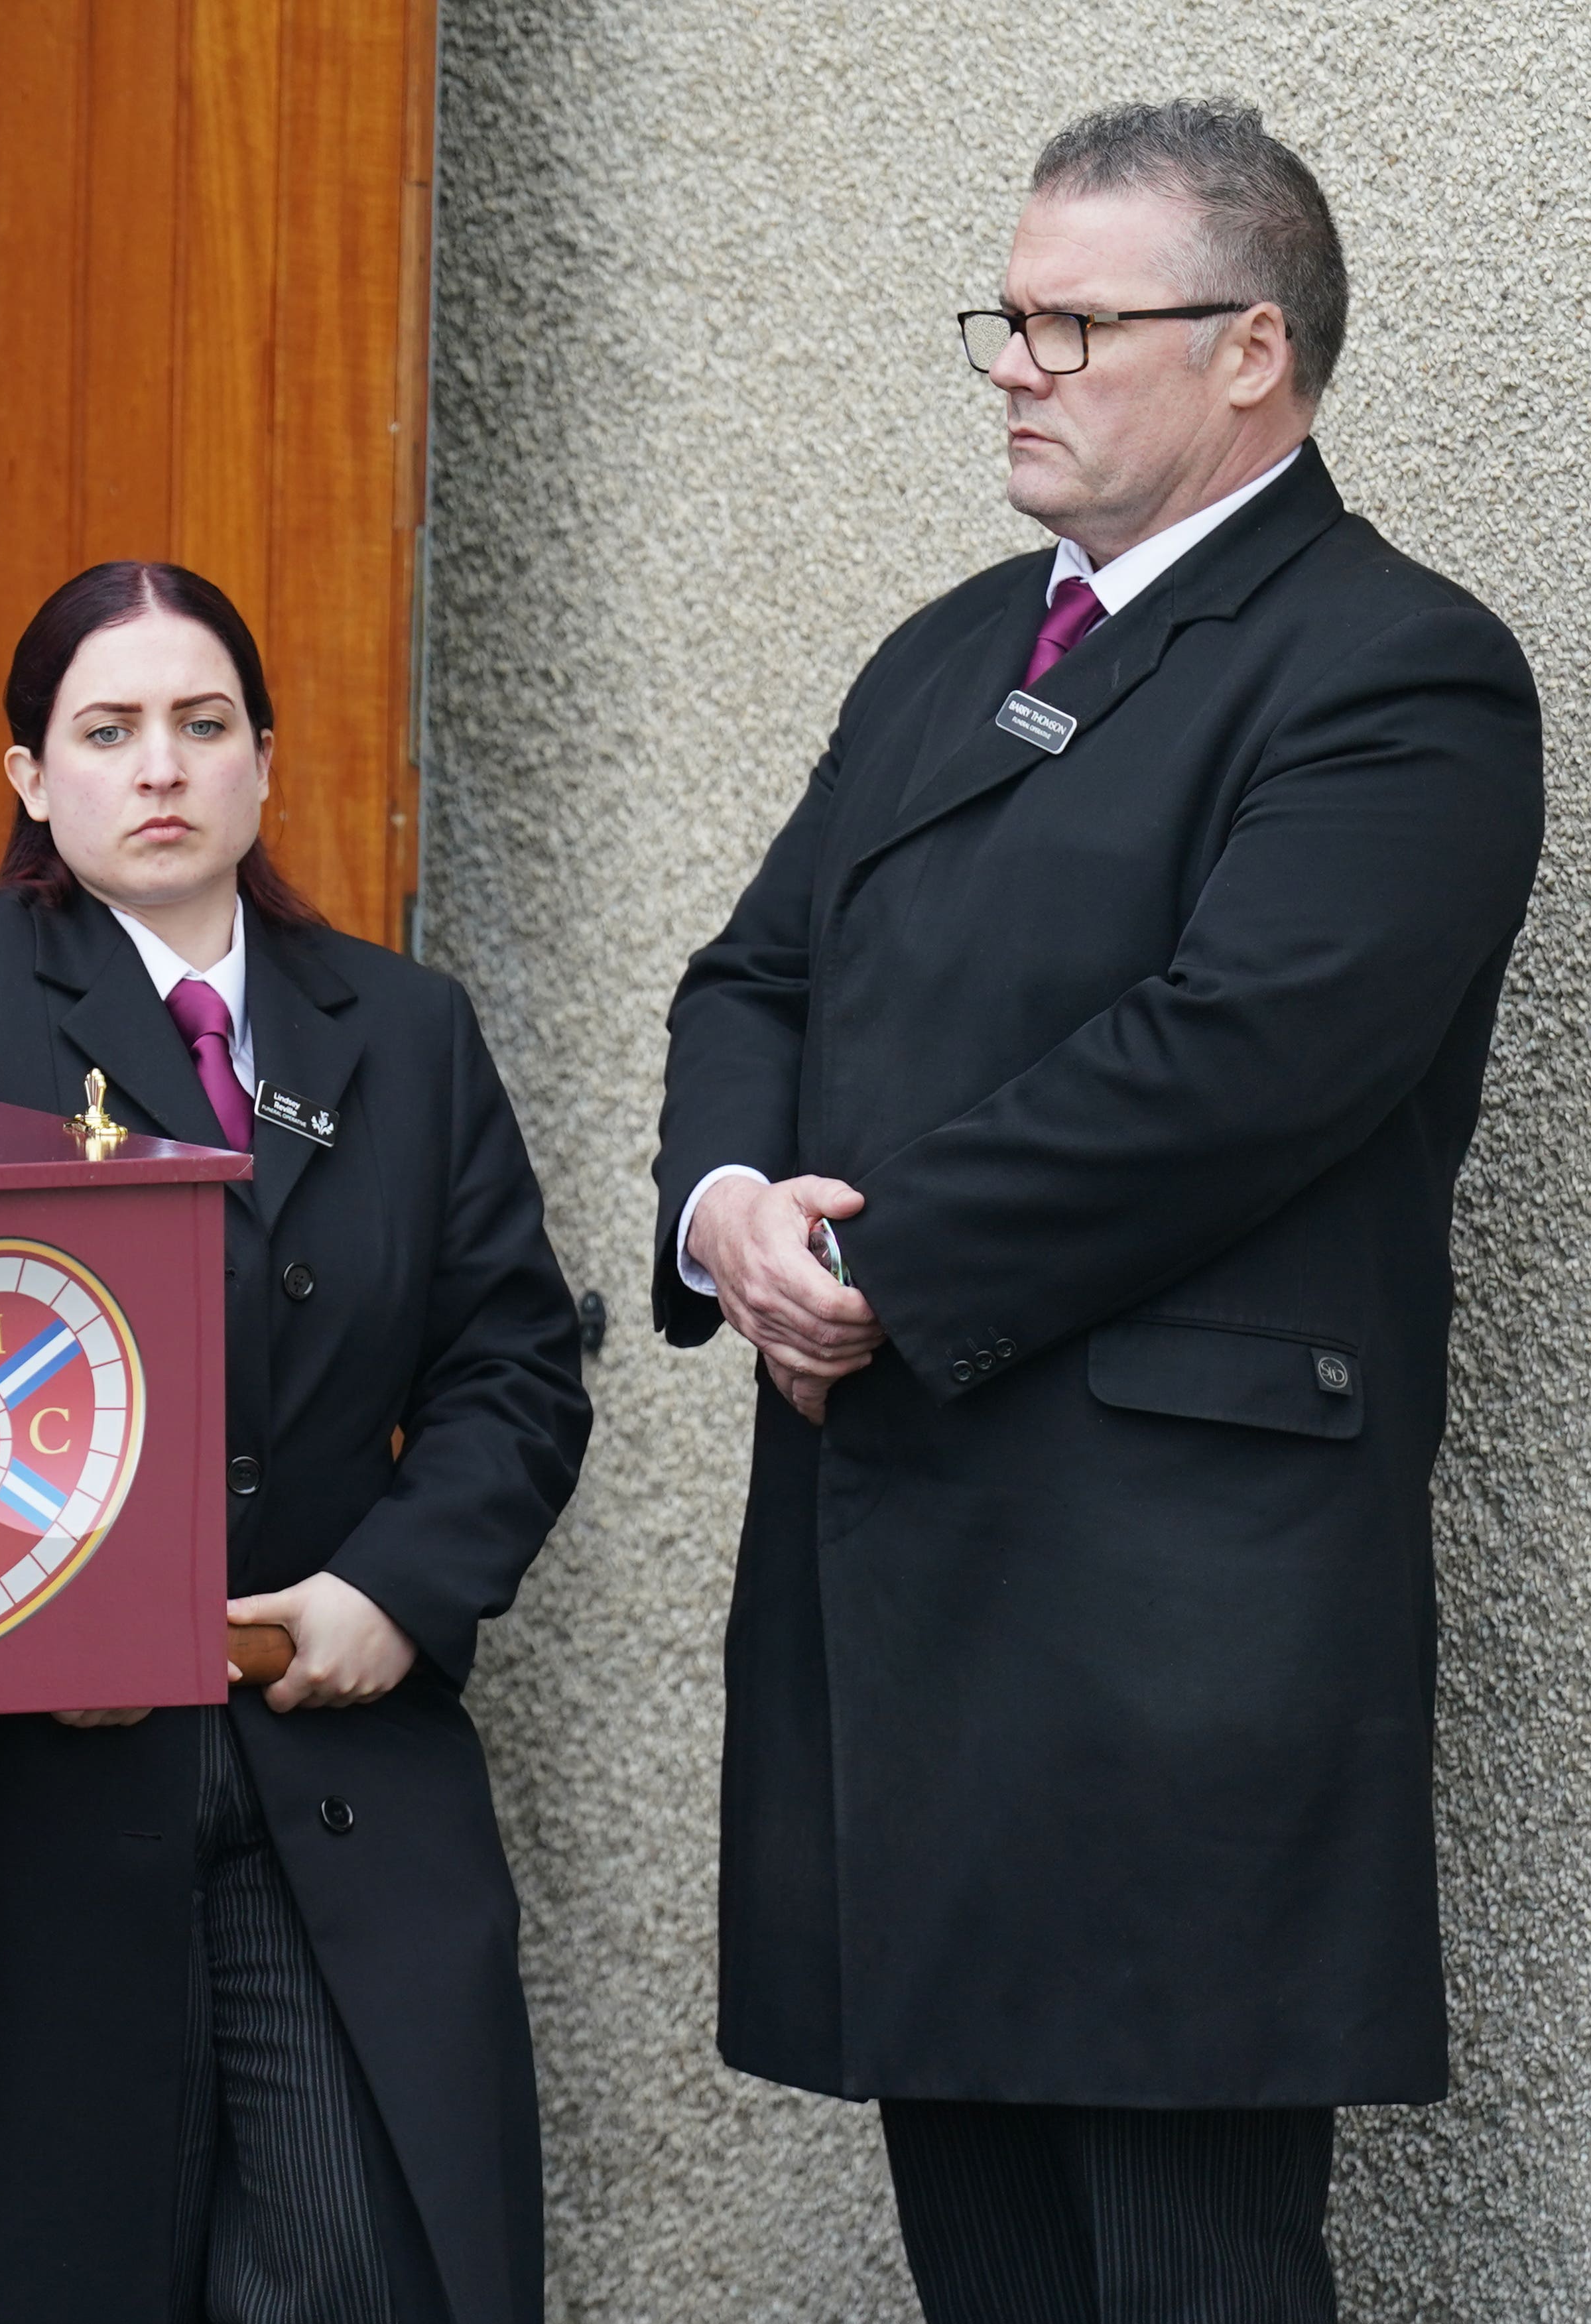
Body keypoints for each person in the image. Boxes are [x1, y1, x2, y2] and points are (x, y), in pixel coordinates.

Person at [653, 102, 1543, 2324]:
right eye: (1006, 314)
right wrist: (728, 1210)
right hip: (912, 1574)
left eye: (1068, 318)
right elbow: (752, 971)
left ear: (1250, 350)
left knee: (1180, 2262)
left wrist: (867, 1268)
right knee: (985, 2250)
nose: (1013, 362)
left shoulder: (1392, 669)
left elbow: (1224, 1064)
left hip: (1169, 1621)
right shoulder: (950, 647)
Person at [0, 562, 592, 2324]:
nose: (160, 770)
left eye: (203, 728)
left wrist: (394, 1591)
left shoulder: (405, 1031)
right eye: (108, 731)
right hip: (27, 1795)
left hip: (329, 1756)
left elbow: (515, 1362)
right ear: (30, 776)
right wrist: (26, 1621)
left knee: (358, 2265)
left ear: (265, 764)